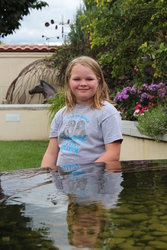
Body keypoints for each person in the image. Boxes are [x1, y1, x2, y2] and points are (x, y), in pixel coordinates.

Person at [41, 56, 123, 170]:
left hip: (95, 183)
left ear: (98, 81)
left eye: (89, 79)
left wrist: (85, 173)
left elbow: (113, 154)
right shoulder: (61, 114)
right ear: (68, 81)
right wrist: (43, 177)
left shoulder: (107, 112)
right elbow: (51, 154)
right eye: (77, 79)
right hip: (65, 184)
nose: (83, 83)